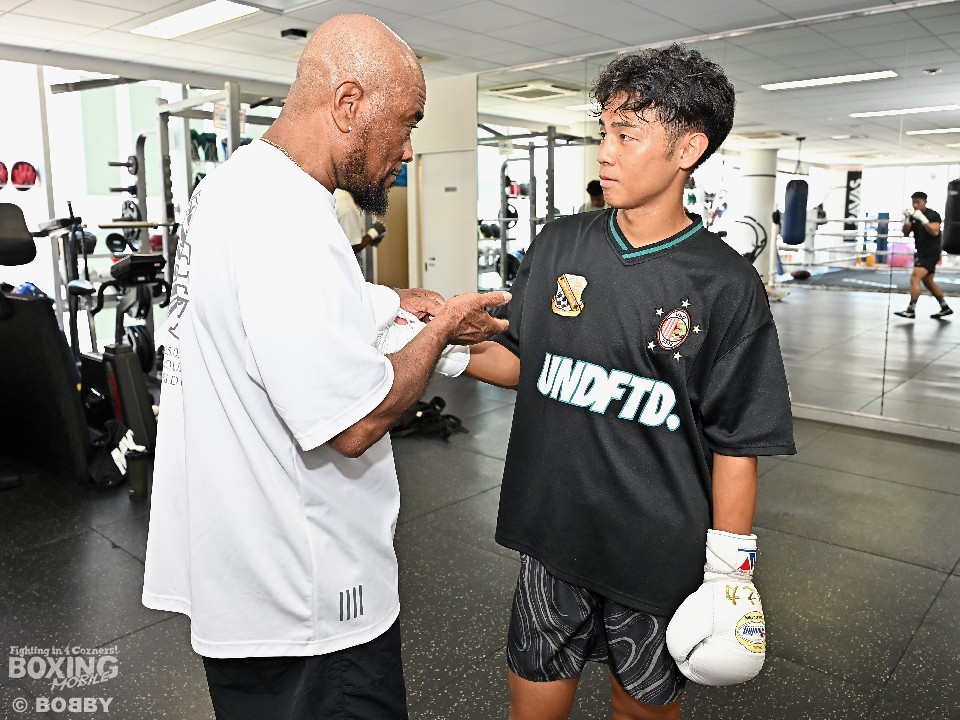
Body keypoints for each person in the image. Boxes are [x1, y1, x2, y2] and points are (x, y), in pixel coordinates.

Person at [141, 14, 510, 720]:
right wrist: (439, 332)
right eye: (406, 124)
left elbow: (301, 313)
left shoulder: (233, 187)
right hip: (311, 607)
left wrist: (401, 306)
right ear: (347, 104)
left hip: (247, 590)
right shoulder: (284, 218)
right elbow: (354, 424)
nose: (407, 149)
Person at [464, 44, 796, 719]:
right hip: (553, 536)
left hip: (656, 553)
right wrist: (436, 348)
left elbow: (738, 442)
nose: (605, 153)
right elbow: (525, 362)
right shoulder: (560, 242)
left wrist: (729, 576)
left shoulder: (726, 285)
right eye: (604, 132)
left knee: (640, 709)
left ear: (688, 149)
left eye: (627, 135)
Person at [894, 191, 952, 319]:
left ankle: (911, 309)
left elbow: (935, 232)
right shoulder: (914, 216)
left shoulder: (933, 215)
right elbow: (905, 233)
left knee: (915, 278)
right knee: (928, 282)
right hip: (921, 251)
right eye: (913, 202)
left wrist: (923, 219)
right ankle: (945, 307)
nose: (915, 205)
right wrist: (907, 219)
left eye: (918, 202)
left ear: (925, 202)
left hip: (930, 252)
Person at [334, 187, 387, 254]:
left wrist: (368, 239)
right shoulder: (347, 207)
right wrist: (373, 233)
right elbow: (351, 250)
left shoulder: (339, 193)